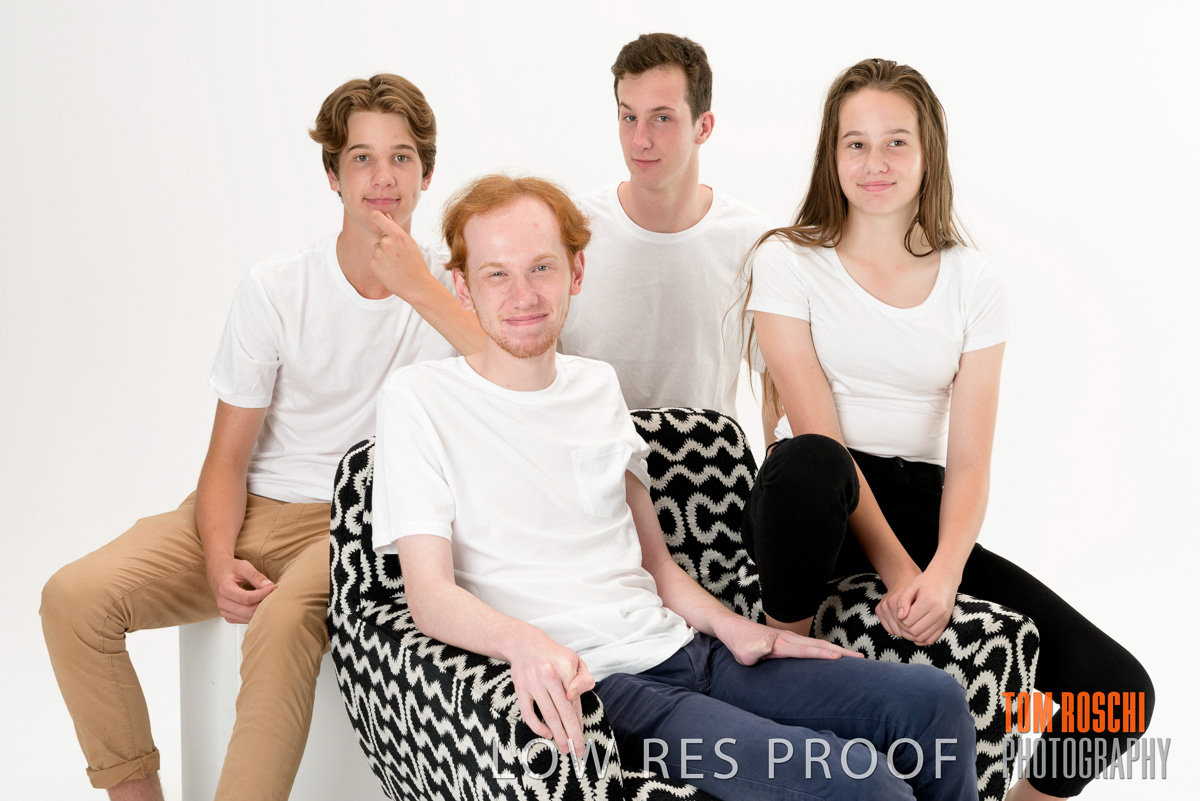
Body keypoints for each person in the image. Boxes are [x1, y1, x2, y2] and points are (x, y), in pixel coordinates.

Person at [372, 173, 979, 801]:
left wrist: (738, 629)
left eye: (541, 268)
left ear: (576, 272)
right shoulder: (420, 399)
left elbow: (656, 565)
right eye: (496, 274)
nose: (523, 294)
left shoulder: (596, 385)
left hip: (689, 652)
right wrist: (523, 643)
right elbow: (429, 595)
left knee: (933, 704)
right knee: (860, 785)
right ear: (462, 286)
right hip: (609, 692)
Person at [40, 74, 482, 801]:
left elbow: (507, 377)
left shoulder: (452, 290)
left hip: (356, 522)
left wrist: (419, 287)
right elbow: (226, 457)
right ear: (333, 176)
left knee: (279, 627)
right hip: (248, 507)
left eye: (401, 158)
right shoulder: (276, 287)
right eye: (362, 158)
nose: (382, 178)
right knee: (73, 599)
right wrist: (219, 559)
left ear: (426, 174)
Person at [741, 58, 1153, 800]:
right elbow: (822, 440)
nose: (875, 162)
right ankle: (779, 674)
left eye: (895, 142)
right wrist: (901, 573)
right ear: (831, 155)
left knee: (1117, 693)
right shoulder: (787, 261)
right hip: (810, 509)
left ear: (928, 152)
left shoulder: (974, 281)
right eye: (856, 143)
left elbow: (969, 463)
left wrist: (944, 573)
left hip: (924, 509)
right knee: (812, 460)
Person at [557, 33, 766, 418]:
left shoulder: (751, 241)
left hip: (706, 454)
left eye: (662, 118)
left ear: (703, 127)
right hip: (592, 452)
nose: (639, 141)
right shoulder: (570, 229)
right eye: (629, 117)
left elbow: (778, 378)